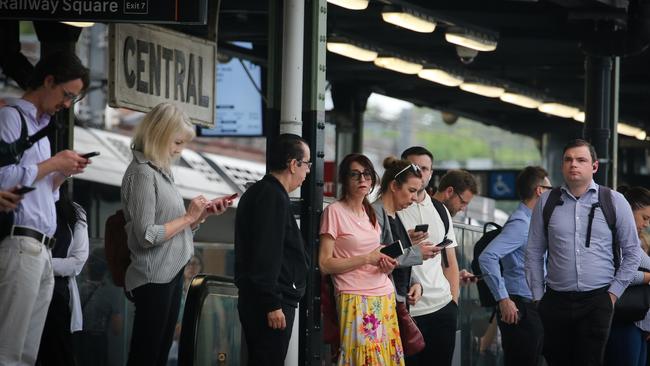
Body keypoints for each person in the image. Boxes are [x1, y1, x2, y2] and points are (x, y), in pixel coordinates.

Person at [121, 102, 231, 366]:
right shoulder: (143, 173)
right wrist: (188, 217)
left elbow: (170, 229)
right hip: (154, 276)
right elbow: (147, 235)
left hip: (168, 273)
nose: (180, 150)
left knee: (157, 352)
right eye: (177, 142)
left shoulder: (160, 172)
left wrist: (200, 217)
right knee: (147, 354)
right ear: (160, 135)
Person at [0, 51, 90, 365]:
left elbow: (38, 192)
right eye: (67, 95)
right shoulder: (11, 117)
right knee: (9, 348)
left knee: (27, 352)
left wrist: (59, 174)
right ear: (48, 81)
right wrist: (52, 163)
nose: (67, 104)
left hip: (42, 249)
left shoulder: (41, 128)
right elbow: (4, 180)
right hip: (20, 241)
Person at [526, 139, 641, 366]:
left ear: (594, 166)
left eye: (581, 160)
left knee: (590, 361)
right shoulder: (547, 201)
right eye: (568, 160)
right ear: (562, 166)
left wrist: (612, 295)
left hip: (597, 300)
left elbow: (632, 253)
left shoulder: (614, 201)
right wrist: (539, 297)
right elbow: (533, 251)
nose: (573, 165)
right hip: (555, 300)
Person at [234, 133, 311, 366]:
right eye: (306, 164)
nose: (307, 171)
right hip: (270, 303)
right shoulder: (272, 196)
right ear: (293, 164)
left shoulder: (262, 192)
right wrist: (272, 303)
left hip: (263, 299)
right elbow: (265, 254)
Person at [319, 153, 403, 365]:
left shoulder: (370, 212)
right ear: (344, 180)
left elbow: (376, 255)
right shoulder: (334, 212)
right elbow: (324, 264)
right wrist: (367, 258)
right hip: (354, 295)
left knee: (385, 359)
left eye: (366, 174)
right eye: (354, 175)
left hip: (384, 293)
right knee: (362, 360)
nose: (362, 180)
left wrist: (385, 263)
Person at [398, 146, 477, 366]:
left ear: (431, 173)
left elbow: (450, 262)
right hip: (407, 309)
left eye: (425, 168)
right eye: (414, 167)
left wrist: (453, 303)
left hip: (442, 309)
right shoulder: (391, 208)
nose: (420, 173)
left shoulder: (440, 210)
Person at [478, 166, 550, 366]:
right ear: (540, 190)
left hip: (531, 305)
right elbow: (488, 257)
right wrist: (503, 298)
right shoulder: (520, 224)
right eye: (550, 189)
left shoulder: (532, 221)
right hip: (521, 307)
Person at [36, 187, 89, 366]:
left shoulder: (75, 211)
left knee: (58, 355)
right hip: (26, 288)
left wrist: (37, 263)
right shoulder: (29, 203)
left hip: (57, 294)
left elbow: (78, 261)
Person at [604, 186, 650, 366]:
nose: (646, 224)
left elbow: (645, 263)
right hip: (623, 317)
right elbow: (617, 274)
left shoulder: (631, 241)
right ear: (628, 210)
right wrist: (647, 278)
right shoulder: (613, 236)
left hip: (636, 318)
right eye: (644, 218)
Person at [75, 249, 123, 366]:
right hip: (99, 342)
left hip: (80, 341)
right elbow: (117, 329)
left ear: (88, 267)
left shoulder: (78, 289)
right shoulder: (111, 292)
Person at [168, 254, 203, 366]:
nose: (191, 267)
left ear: (200, 267)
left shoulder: (205, 293)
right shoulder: (174, 292)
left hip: (198, 344)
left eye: (195, 264)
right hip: (174, 346)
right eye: (188, 264)